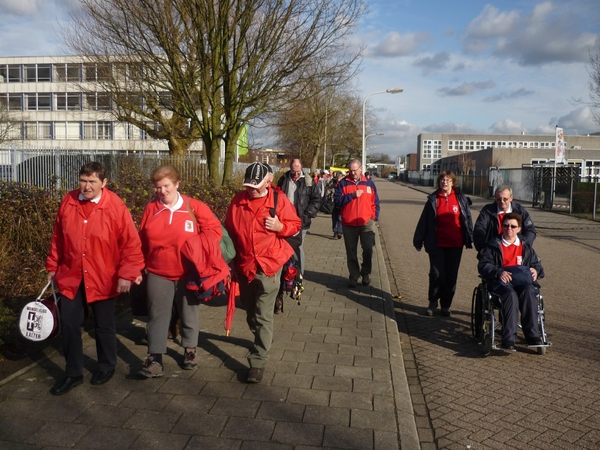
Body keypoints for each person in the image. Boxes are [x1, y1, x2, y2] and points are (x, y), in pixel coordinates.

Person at [46, 161, 144, 395]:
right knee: (69, 323)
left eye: (92, 182)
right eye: (83, 180)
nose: (86, 186)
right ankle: (73, 373)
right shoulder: (69, 201)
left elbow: (131, 243)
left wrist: (127, 273)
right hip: (72, 275)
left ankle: (106, 365)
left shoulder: (116, 206)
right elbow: (58, 237)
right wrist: (52, 266)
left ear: (104, 183)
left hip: (103, 275)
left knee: (104, 325)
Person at [137, 165, 222, 377]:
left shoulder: (194, 207)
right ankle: (155, 359)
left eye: (166, 186)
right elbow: (141, 241)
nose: (162, 191)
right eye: (157, 187)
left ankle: (190, 350)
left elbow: (215, 230)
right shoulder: (151, 209)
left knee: (189, 312)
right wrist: (139, 266)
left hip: (189, 272)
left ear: (177, 184)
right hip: (158, 271)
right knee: (156, 315)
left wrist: (198, 247)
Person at [225, 162, 302, 383]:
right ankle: (261, 337)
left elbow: (296, 224)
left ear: (268, 182)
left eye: (256, 186)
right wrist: (229, 261)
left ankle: (258, 362)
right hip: (245, 265)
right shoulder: (238, 201)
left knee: (263, 314)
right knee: (250, 312)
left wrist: (280, 227)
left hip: (270, 265)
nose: (251, 190)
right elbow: (229, 232)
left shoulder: (278, 200)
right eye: (248, 185)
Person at [478, 212, 544, 351]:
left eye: (513, 226)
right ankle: (508, 338)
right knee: (510, 295)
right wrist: (498, 272)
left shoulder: (525, 246)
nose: (509, 229)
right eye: (506, 226)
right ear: (502, 227)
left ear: (519, 228)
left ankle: (532, 335)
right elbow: (483, 265)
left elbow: (538, 265)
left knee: (529, 292)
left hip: (522, 282)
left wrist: (536, 271)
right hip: (500, 283)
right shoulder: (494, 245)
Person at [413, 171, 473, 317]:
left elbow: (467, 219)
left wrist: (470, 237)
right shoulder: (433, 200)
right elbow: (424, 221)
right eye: (442, 180)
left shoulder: (460, 199)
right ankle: (433, 302)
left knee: (451, 276)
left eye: (447, 180)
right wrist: (418, 240)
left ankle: (446, 305)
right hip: (437, 243)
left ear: (453, 182)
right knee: (436, 274)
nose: (444, 182)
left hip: (455, 244)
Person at [276, 158, 321, 312]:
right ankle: (286, 275)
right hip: (285, 220)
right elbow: (276, 195)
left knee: (298, 247)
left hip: (301, 220)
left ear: (301, 168)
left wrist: (307, 215)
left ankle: (299, 276)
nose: (295, 173)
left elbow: (316, 199)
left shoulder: (308, 180)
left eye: (297, 170)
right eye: (293, 170)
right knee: (285, 248)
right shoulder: (283, 179)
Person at [334, 159, 380, 287]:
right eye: (351, 170)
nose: (353, 173)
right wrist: (352, 196)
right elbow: (337, 201)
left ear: (361, 168)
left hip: (366, 222)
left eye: (355, 170)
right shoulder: (343, 183)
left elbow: (375, 202)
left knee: (368, 249)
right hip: (349, 223)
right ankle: (354, 276)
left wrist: (374, 217)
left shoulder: (369, 183)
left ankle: (365, 273)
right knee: (351, 252)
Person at [473, 185, 536, 255]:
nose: (502, 201)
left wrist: (525, 246)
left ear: (511, 198)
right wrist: (482, 248)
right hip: (493, 251)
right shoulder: (487, 211)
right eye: (499, 199)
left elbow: (530, 230)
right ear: (495, 198)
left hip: (515, 251)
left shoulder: (520, 211)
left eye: (505, 199)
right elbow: (479, 230)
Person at [331, 171, 344, 239]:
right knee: (334, 218)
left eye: (340, 178)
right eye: (337, 178)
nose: (339, 179)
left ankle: (339, 231)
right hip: (334, 204)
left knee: (340, 218)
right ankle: (335, 231)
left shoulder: (344, 184)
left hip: (341, 204)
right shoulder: (332, 183)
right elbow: (328, 191)